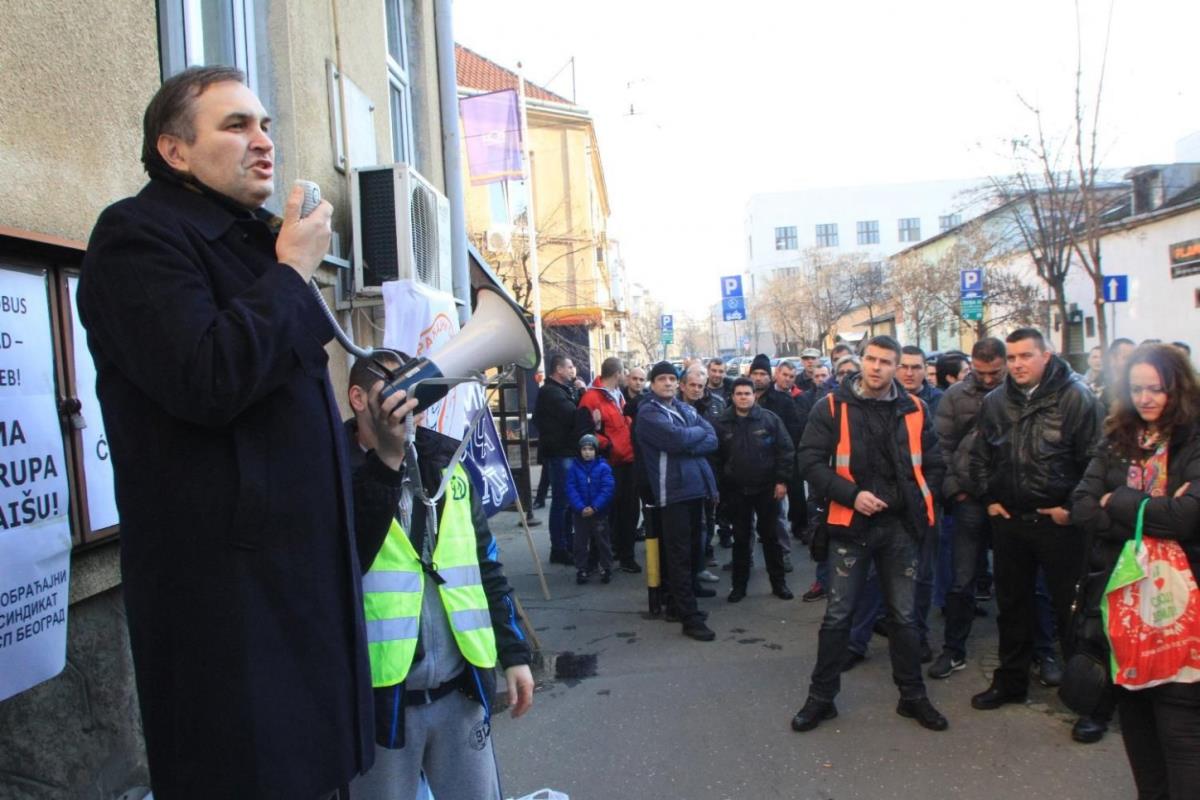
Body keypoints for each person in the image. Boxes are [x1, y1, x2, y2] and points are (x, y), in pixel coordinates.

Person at [76, 66, 418, 799]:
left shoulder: (252, 249)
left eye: (266, 126)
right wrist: (291, 272)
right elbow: (207, 378)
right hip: (230, 624)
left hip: (297, 614)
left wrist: (378, 455)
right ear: (173, 152)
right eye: (236, 126)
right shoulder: (137, 238)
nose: (264, 143)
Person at [345, 356, 534, 800]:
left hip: (460, 691)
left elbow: (485, 565)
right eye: (393, 389)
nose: (409, 401)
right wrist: (386, 462)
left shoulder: (448, 460)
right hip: (379, 705)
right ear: (358, 399)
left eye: (418, 390)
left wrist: (514, 653)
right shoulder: (331, 472)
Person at [791, 336, 947, 733]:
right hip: (851, 525)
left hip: (900, 528)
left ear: (898, 367)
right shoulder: (830, 406)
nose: (877, 367)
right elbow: (808, 461)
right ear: (861, 361)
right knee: (838, 616)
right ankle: (821, 699)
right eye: (871, 359)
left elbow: (933, 463)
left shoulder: (915, 408)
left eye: (886, 362)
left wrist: (917, 503)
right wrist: (852, 495)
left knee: (905, 617)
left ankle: (912, 697)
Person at [1072, 344, 1200, 798]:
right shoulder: (1118, 437)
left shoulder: (1194, 437)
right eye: (1137, 389)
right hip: (1121, 600)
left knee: (1181, 730)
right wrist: (1155, 512)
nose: (1146, 399)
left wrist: (1122, 502)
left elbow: (1189, 518)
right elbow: (1083, 507)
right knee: (1137, 724)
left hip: (1182, 607)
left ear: (1178, 389)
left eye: (1157, 390)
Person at [968, 328, 1105, 743]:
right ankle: (1011, 681)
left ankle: (1089, 704)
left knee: (1073, 614)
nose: (1016, 364)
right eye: (1011, 357)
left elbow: (1097, 461)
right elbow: (979, 456)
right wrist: (988, 497)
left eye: (1025, 356)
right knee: (1012, 606)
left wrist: (1071, 510)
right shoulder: (995, 402)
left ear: (1048, 355)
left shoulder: (1076, 397)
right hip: (1010, 522)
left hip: (1059, 525)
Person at [929, 337, 1006, 679]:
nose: (989, 379)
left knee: (1016, 582)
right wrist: (955, 491)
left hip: (1009, 500)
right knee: (961, 580)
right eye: (982, 372)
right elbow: (940, 447)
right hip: (969, 498)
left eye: (995, 372)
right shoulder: (955, 395)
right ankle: (953, 649)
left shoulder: (1017, 394)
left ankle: (1031, 652)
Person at [636, 362, 719, 641]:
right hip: (671, 491)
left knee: (692, 550)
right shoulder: (648, 413)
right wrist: (691, 438)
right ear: (653, 383)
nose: (669, 383)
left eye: (673, 378)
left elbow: (712, 438)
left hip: (694, 488)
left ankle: (676, 604)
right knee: (679, 555)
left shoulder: (683, 409)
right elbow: (675, 440)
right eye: (662, 379)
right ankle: (689, 617)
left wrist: (688, 440)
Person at [714, 377, 795, 602]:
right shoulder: (721, 423)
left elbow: (785, 451)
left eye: (747, 393)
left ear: (754, 395)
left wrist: (782, 481)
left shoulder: (769, 420)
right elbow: (716, 459)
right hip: (736, 490)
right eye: (739, 394)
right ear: (732, 397)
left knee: (770, 537)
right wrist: (721, 488)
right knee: (741, 539)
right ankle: (738, 587)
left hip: (767, 488)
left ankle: (779, 584)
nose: (743, 397)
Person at [577, 357, 641, 574]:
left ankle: (626, 556)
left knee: (629, 512)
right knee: (604, 514)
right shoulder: (591, 398)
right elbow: (585, 433)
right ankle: (597, 559)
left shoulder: (616, 395)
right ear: (617, 374)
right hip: (608, 464)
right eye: (624, 373)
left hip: (627, 461)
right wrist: (609, 445)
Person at [748, 354, 803, 569]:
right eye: (755, 373)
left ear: (770, 376)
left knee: (777, 516)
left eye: (763, 374)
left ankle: (783, 554)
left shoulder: (781, 401)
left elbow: (791, 438)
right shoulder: (739, 398)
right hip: (746, 471)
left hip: (772, 470)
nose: (759, 378)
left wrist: (783, 475)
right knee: (746, 521)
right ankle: (745, 558)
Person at [532, 354, 581, 564]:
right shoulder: (551, 392)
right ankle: (559, 548)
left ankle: (567, 543)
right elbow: (573, 415)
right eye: (569, 367)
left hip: (564, 451)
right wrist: (582, 392)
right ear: (559, 370)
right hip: (560, 453)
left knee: (567, 501)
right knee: (562, 501)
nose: (573, 370)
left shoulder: (559, 390)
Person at [681, 367, 725, 586]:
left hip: (710, 469)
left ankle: (703, 560)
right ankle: (687, 568)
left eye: (700, 386)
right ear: (684, 385)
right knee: (687, 524)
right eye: (693, 385)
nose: (697, 390)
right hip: (684, 474)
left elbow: (715, 439)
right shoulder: (675, 408)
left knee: (707, 519)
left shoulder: (715, 405)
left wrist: (690, 447)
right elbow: (677, 441)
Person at [566, 434, 616, 584]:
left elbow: (607, 489)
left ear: (596, 451)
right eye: (584, 449)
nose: (587, 452)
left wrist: (595, 506)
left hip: (598, 512)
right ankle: (582, 568)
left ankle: (606, 567)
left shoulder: (603, 467)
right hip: (580, 513)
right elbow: (571, 488)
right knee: (580, 542)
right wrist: (581, 507)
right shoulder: (573, 468)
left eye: (590, 449)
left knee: (603, 541)